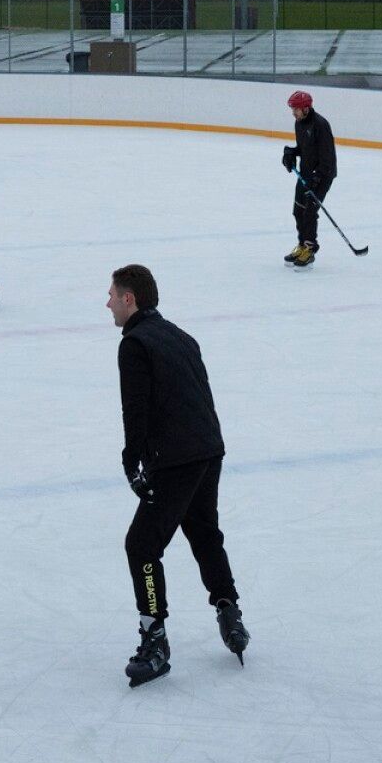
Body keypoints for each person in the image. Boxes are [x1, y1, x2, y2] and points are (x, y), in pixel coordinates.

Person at [107, 264, 247, 687]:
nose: (107, 303)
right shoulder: (182, 336)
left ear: (130, 298)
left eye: (112, 294)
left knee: (142, 545)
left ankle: (155, 640)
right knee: (203, 532)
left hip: (178, 458)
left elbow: (136, 409)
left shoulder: (134, 345)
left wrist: (134, 463)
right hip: (208, 449)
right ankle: (230, 613)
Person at [279, 89, 337, 267]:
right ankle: (302, 244)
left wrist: (317, 177)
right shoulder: (299, 123)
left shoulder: (320, 124)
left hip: (323, 175)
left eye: (296, 109)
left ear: (306, 108)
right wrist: (291, 153)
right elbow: (304, 149)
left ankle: (310, 249)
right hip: (305, 174)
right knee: (298, 210)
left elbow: (327, 156)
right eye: (292, 109)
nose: (293, 112)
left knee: (310, 212)